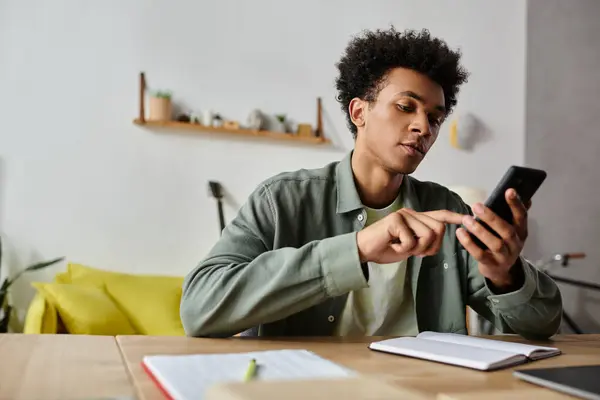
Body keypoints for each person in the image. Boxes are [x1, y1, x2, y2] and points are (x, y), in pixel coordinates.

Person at [180, 27, 562, 340]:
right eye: (405, 106)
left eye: (435, 117)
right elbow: (199, 309)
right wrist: (357, 249)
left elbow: (542, 325)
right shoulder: (282, 200)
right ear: (359, 112)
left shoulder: (447, 212)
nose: (423, 127)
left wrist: (504, 274)